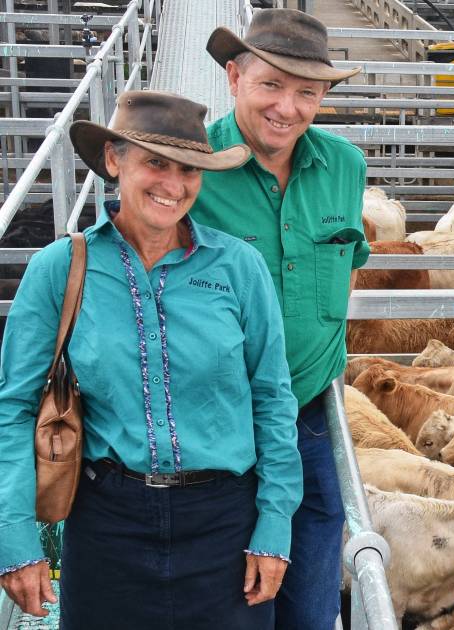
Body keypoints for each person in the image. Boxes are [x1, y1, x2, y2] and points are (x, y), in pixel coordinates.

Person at [0, 91, 302, 628]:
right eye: (154, 163)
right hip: (106, 523)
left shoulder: (240, 268)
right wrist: (15, 535)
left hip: (226, 526)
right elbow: (15, 407)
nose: (173, 184)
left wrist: (275, 523)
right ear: (115, 162)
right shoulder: (61, 268)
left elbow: (273, 399)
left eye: (189, 169)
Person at [189, 9, 368, 628]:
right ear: (234, 77)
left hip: (312, 421)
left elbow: (349, 265)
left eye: (307, 92)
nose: (287, 107)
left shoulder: (344, 165)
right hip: (217, 427)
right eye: (271, 84)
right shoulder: (189, 169)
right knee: (231, 599)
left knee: (311, 605)